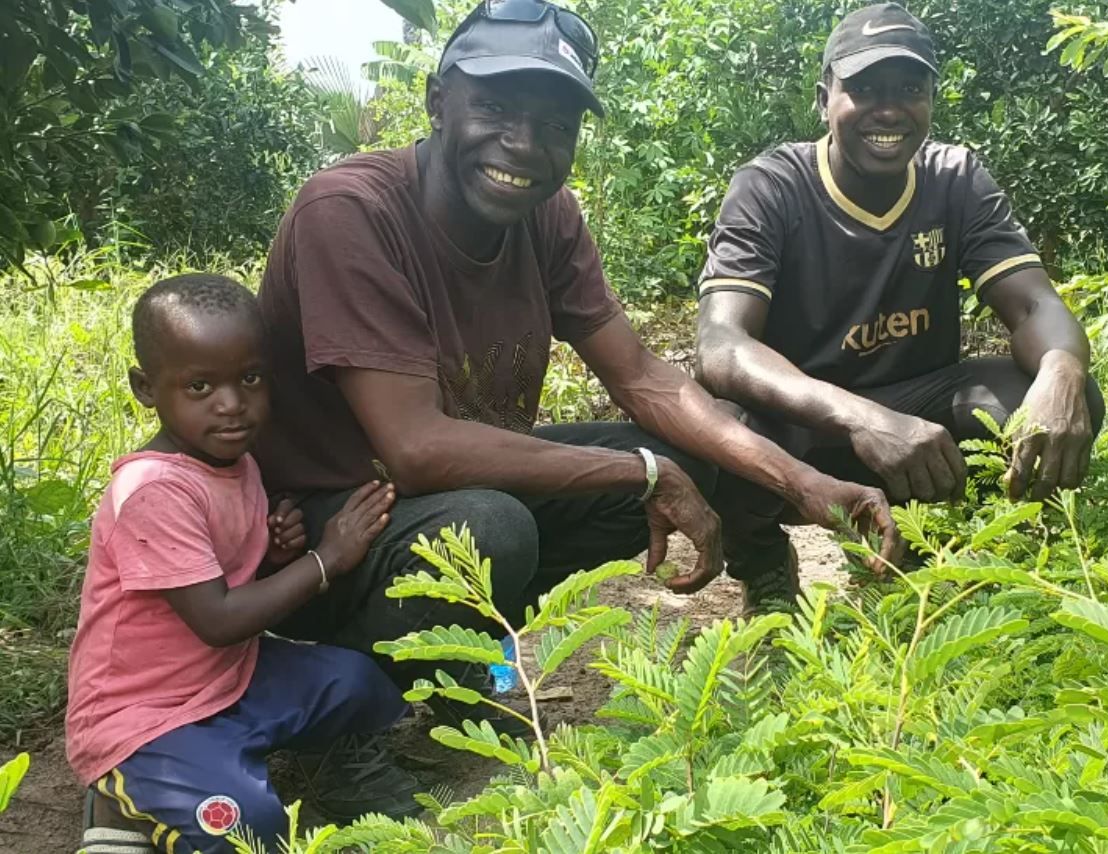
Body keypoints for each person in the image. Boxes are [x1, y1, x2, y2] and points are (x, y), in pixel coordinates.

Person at [253, 0, 900, 813]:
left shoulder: (545, 215)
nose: (524, 145)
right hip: (312, 533)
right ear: (435, 99)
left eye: (555, 124)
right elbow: (414, 447)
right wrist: (638, 471)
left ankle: (453, 673)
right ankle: (339, 728)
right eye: (494, 108)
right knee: (494, 522)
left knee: (685, 451)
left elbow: (643, 377)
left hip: (426, 499)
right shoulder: (351, 212)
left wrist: (797, 478)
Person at [694, 3, 1106, 598]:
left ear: (931, 100)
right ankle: (763, 569)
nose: (888, 109)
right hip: (804, 420)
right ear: (824, 98)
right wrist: (862, 417)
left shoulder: (954, 179)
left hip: (920, 415)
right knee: (711, 432)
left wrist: (1063, 370)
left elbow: (1032, 305)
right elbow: (722, 347)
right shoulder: (772, 188)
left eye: (909, 88)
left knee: (1062, 395)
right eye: (863, 88)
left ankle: (960, 548)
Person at [67, 275, 412, 854]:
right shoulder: (152, 489)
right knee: (252, 828)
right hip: (144, 717)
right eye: (200, 385)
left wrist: (274, 555)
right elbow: (219, 619)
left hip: (227, 679)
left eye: (249, 378)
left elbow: (226, 578)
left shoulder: (234, 461)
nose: (231, 404)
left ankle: (229, 765)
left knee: (357, 682)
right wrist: (327, 558)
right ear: (145, 387)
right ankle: (118, 794)